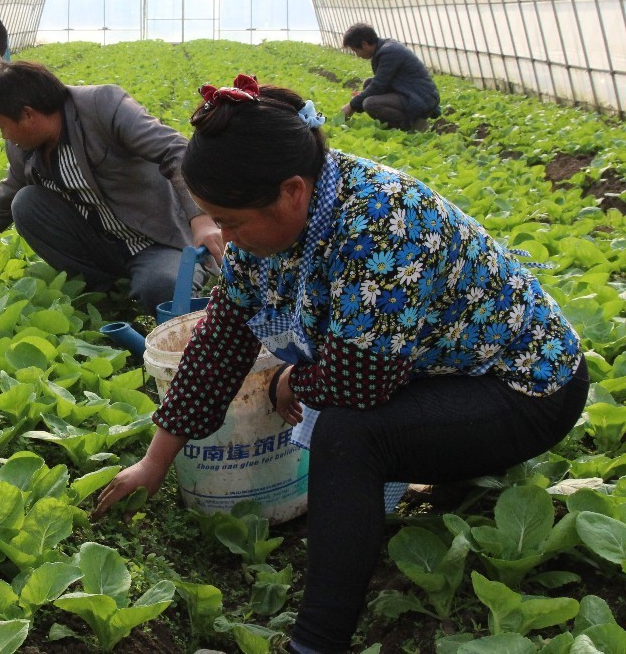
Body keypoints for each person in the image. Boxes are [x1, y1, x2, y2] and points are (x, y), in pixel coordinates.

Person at [94, 75, 588, 653]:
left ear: (292, 191)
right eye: (215, 220)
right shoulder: (272, 225)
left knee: (348, 435)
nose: (226, 236)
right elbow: (220, 342)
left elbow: (359, 384)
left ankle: (316, 642)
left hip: (526, 390)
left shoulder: (383, 220)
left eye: (232, 222)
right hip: (447, 373)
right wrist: (154, 463)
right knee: (339, 419)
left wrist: (290, 379)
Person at [0, 60, 223, 315]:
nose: (4, 136)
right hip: (103, 243)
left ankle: (166, 275)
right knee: (25, 202)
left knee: (162, 289)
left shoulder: (102, 106)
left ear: (28, 114)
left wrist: (201, 218)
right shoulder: (23, 148)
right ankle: (103, 287)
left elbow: (176, 151)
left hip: (158, 240)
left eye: (2, 126)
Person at [339, 23, 439, 131]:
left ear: (364, 44)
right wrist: (358, 100)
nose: (358, 55)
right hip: (410, 92)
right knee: (368, 83)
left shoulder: (389, 52)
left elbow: (378, 86)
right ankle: (396, 124)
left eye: (356, 51)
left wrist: (352, 105)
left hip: (420, 98)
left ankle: (414, 124)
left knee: (370, 103)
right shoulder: (383, 48)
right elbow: (379, 84)